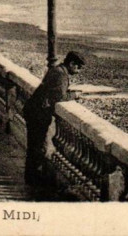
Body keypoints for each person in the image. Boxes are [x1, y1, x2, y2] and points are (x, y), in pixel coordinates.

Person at [23, 51, 86, 186]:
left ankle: (31, 177)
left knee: (35, 146)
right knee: (36, 146)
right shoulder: (61, 74)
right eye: (78, 67)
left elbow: (56, 92)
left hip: (33, 111)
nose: (79, 71)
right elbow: (59, 98)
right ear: (71, 64)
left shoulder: (57, 70)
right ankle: (32, 180)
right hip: (37, 114)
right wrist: (74, 95)